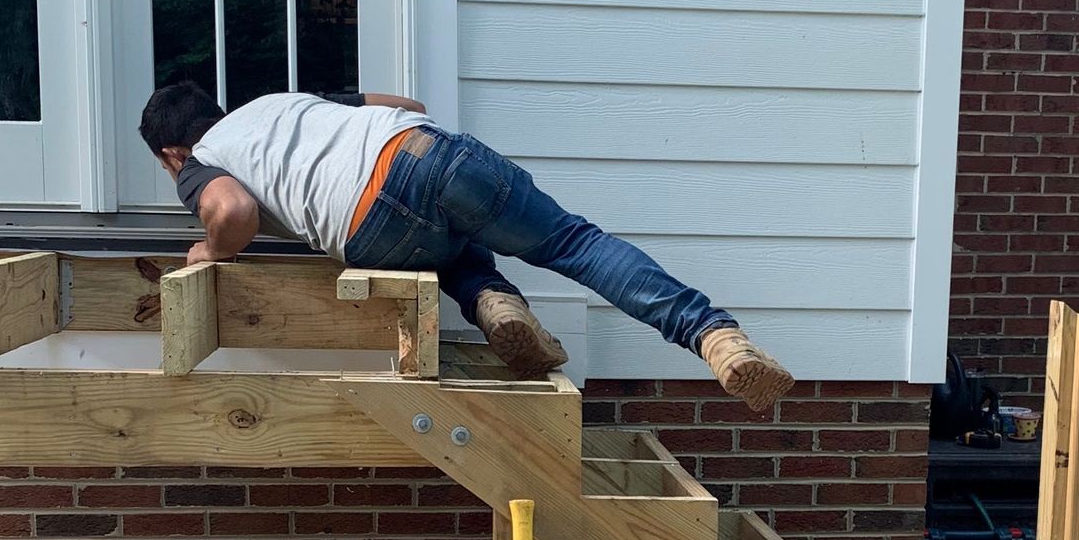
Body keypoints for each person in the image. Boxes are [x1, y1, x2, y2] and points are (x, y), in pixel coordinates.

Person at [139, 82, 795, 414]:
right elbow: (408, 100)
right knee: (572, 242)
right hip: (419, 150)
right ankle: (716, 338)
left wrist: (209, 251)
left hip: (366, 227)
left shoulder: (198, 160)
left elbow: (233, 211)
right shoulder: (279, 103)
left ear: (172, 151)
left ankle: (495, 306)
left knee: (437, 248)